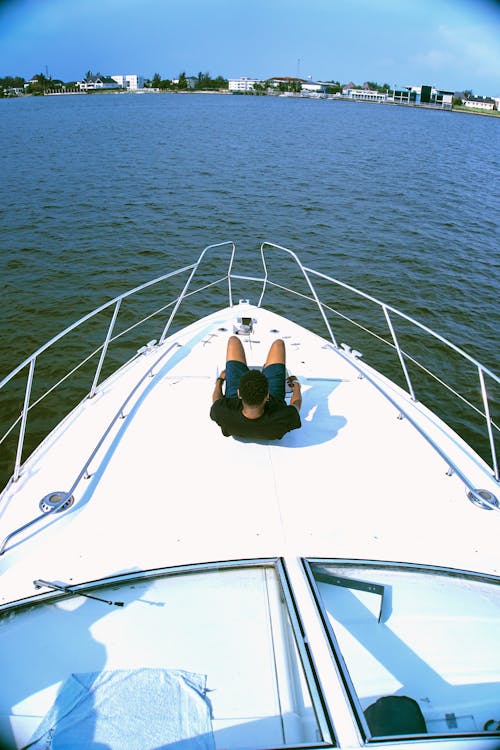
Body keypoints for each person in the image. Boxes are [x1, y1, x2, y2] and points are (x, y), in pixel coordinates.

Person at [210, 336, 302, 439]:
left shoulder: (221, 412)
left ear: (239, 393)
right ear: (267, 395)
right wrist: (296, 384)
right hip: (274, 398)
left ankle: (266, 368)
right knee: (278, 343)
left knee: (233, 340)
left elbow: (216, 400)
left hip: (233, 399)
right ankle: (267, 368)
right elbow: (296, 405)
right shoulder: (284, 417)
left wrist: (220, 380)